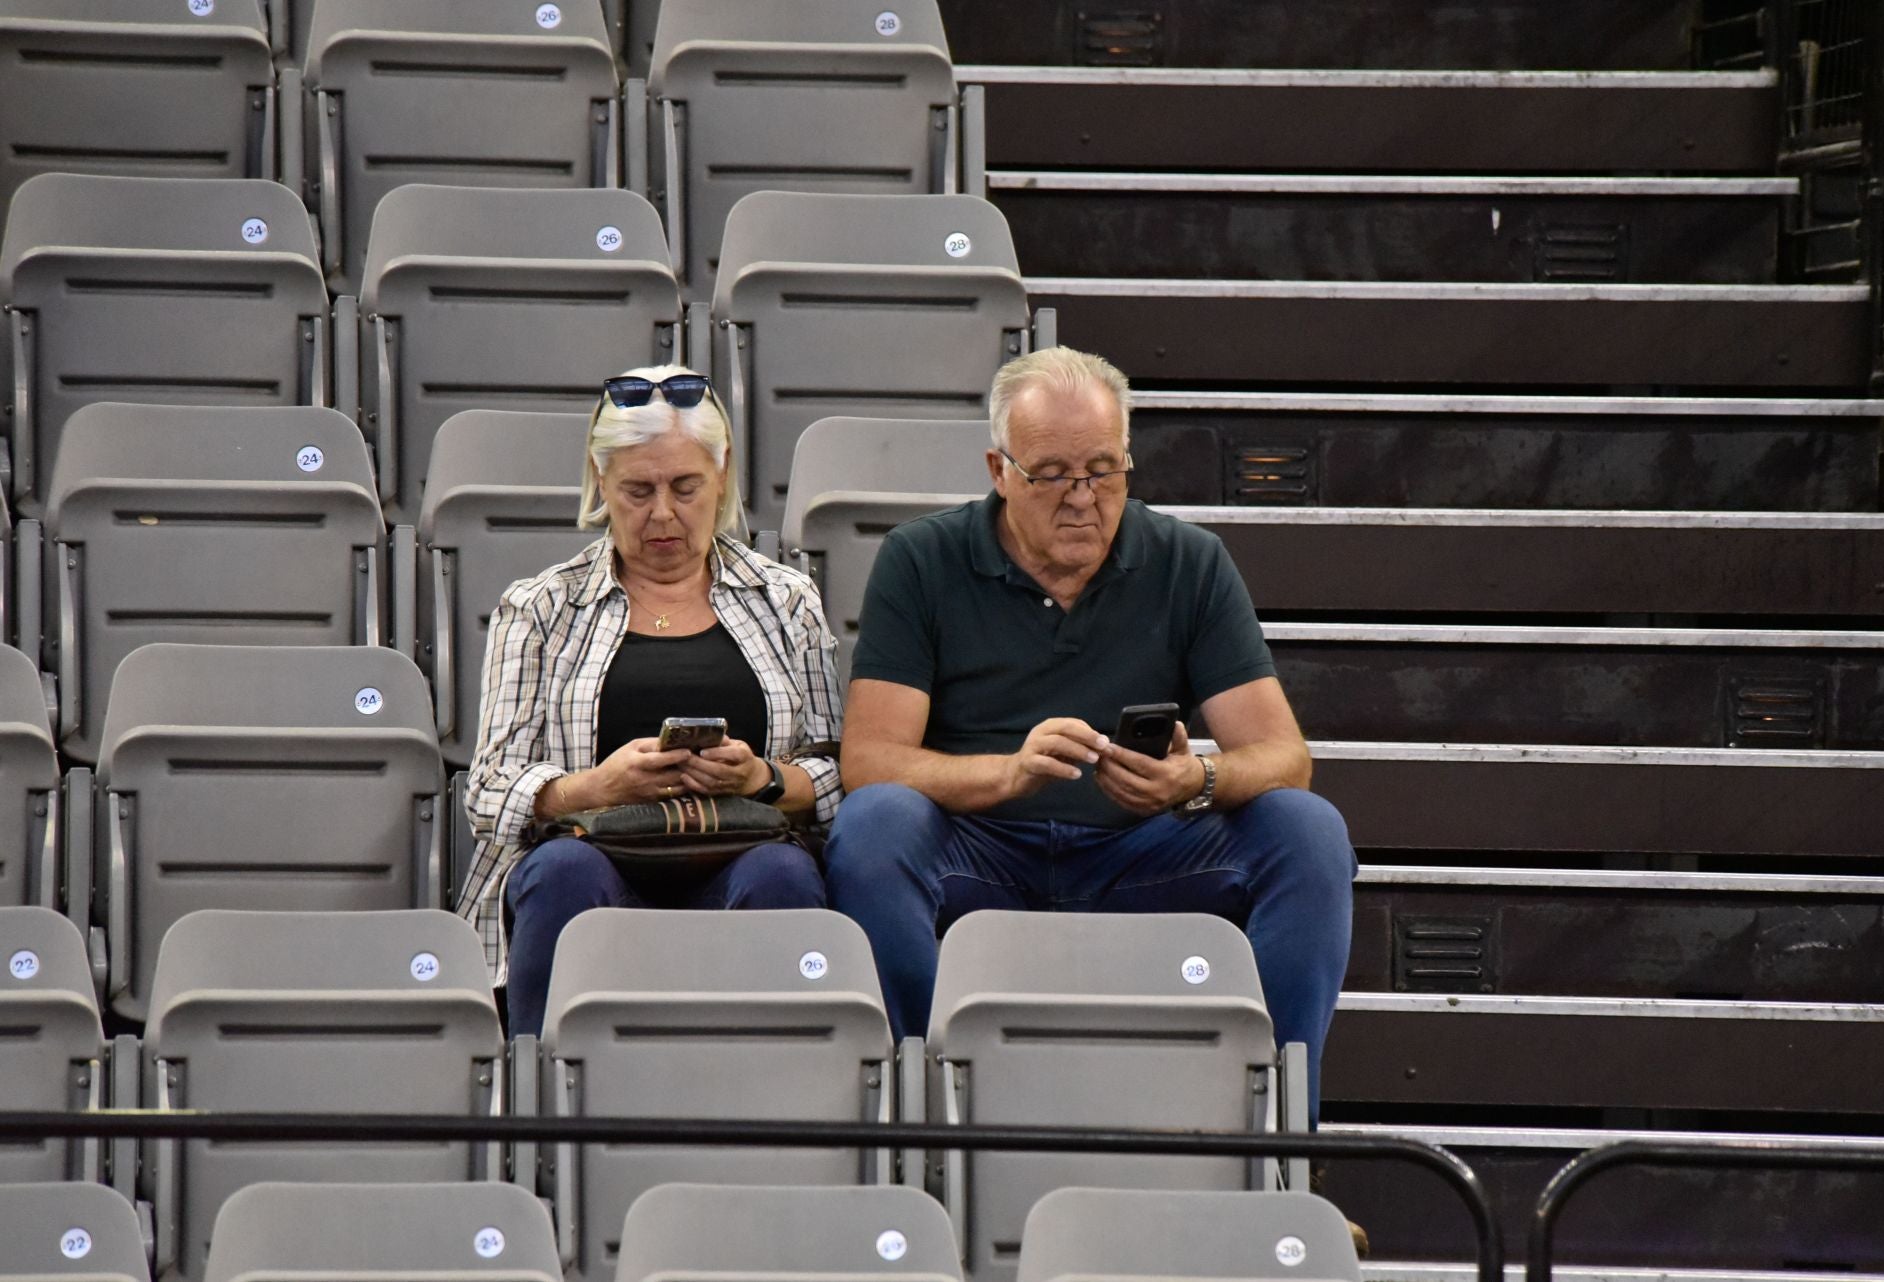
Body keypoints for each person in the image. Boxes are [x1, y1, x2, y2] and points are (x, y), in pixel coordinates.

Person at [824, 346, 1355, 1115]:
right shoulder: (923, 559)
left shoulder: (1187, 561)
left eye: (1104, 470)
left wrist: (1193, 780)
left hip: (1138, 854)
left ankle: (1276, 1141)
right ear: (998, 470)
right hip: (980, 849)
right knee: (875, 826)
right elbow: (870, 762)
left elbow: (1284, 756)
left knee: (1307, 831)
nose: (1083, 498)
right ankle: (929, 1119)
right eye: (1052, 475)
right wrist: (1007, 774)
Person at [458, 365, 842, 1036]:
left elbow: (840, 767)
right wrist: (594, 788)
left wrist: (765, 778)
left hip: (746, 854)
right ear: (601, 482)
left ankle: (782, 1100)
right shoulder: (541, 605)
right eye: (637, 490)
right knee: (564, 874)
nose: (662, 513)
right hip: (592, 855)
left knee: (784, 873)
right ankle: (546, 1104)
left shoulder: (787, 600)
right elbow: (487, 790)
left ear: (722, 476)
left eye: (685, 487)